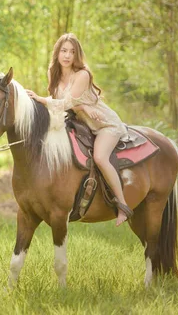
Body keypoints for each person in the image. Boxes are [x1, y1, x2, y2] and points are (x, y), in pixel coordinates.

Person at [26, 33, 133, 226]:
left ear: (78, 55)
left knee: (100, 157)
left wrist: (40, 99)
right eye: (64, 50)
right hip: (82, 123)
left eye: (72, 52)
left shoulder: (82, 74)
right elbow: (70, 105)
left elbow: (67, 102)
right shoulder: (53, 73)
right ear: (57, 53)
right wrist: (83, 108)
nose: (67, 56)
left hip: (103, 125)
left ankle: (122, 206)